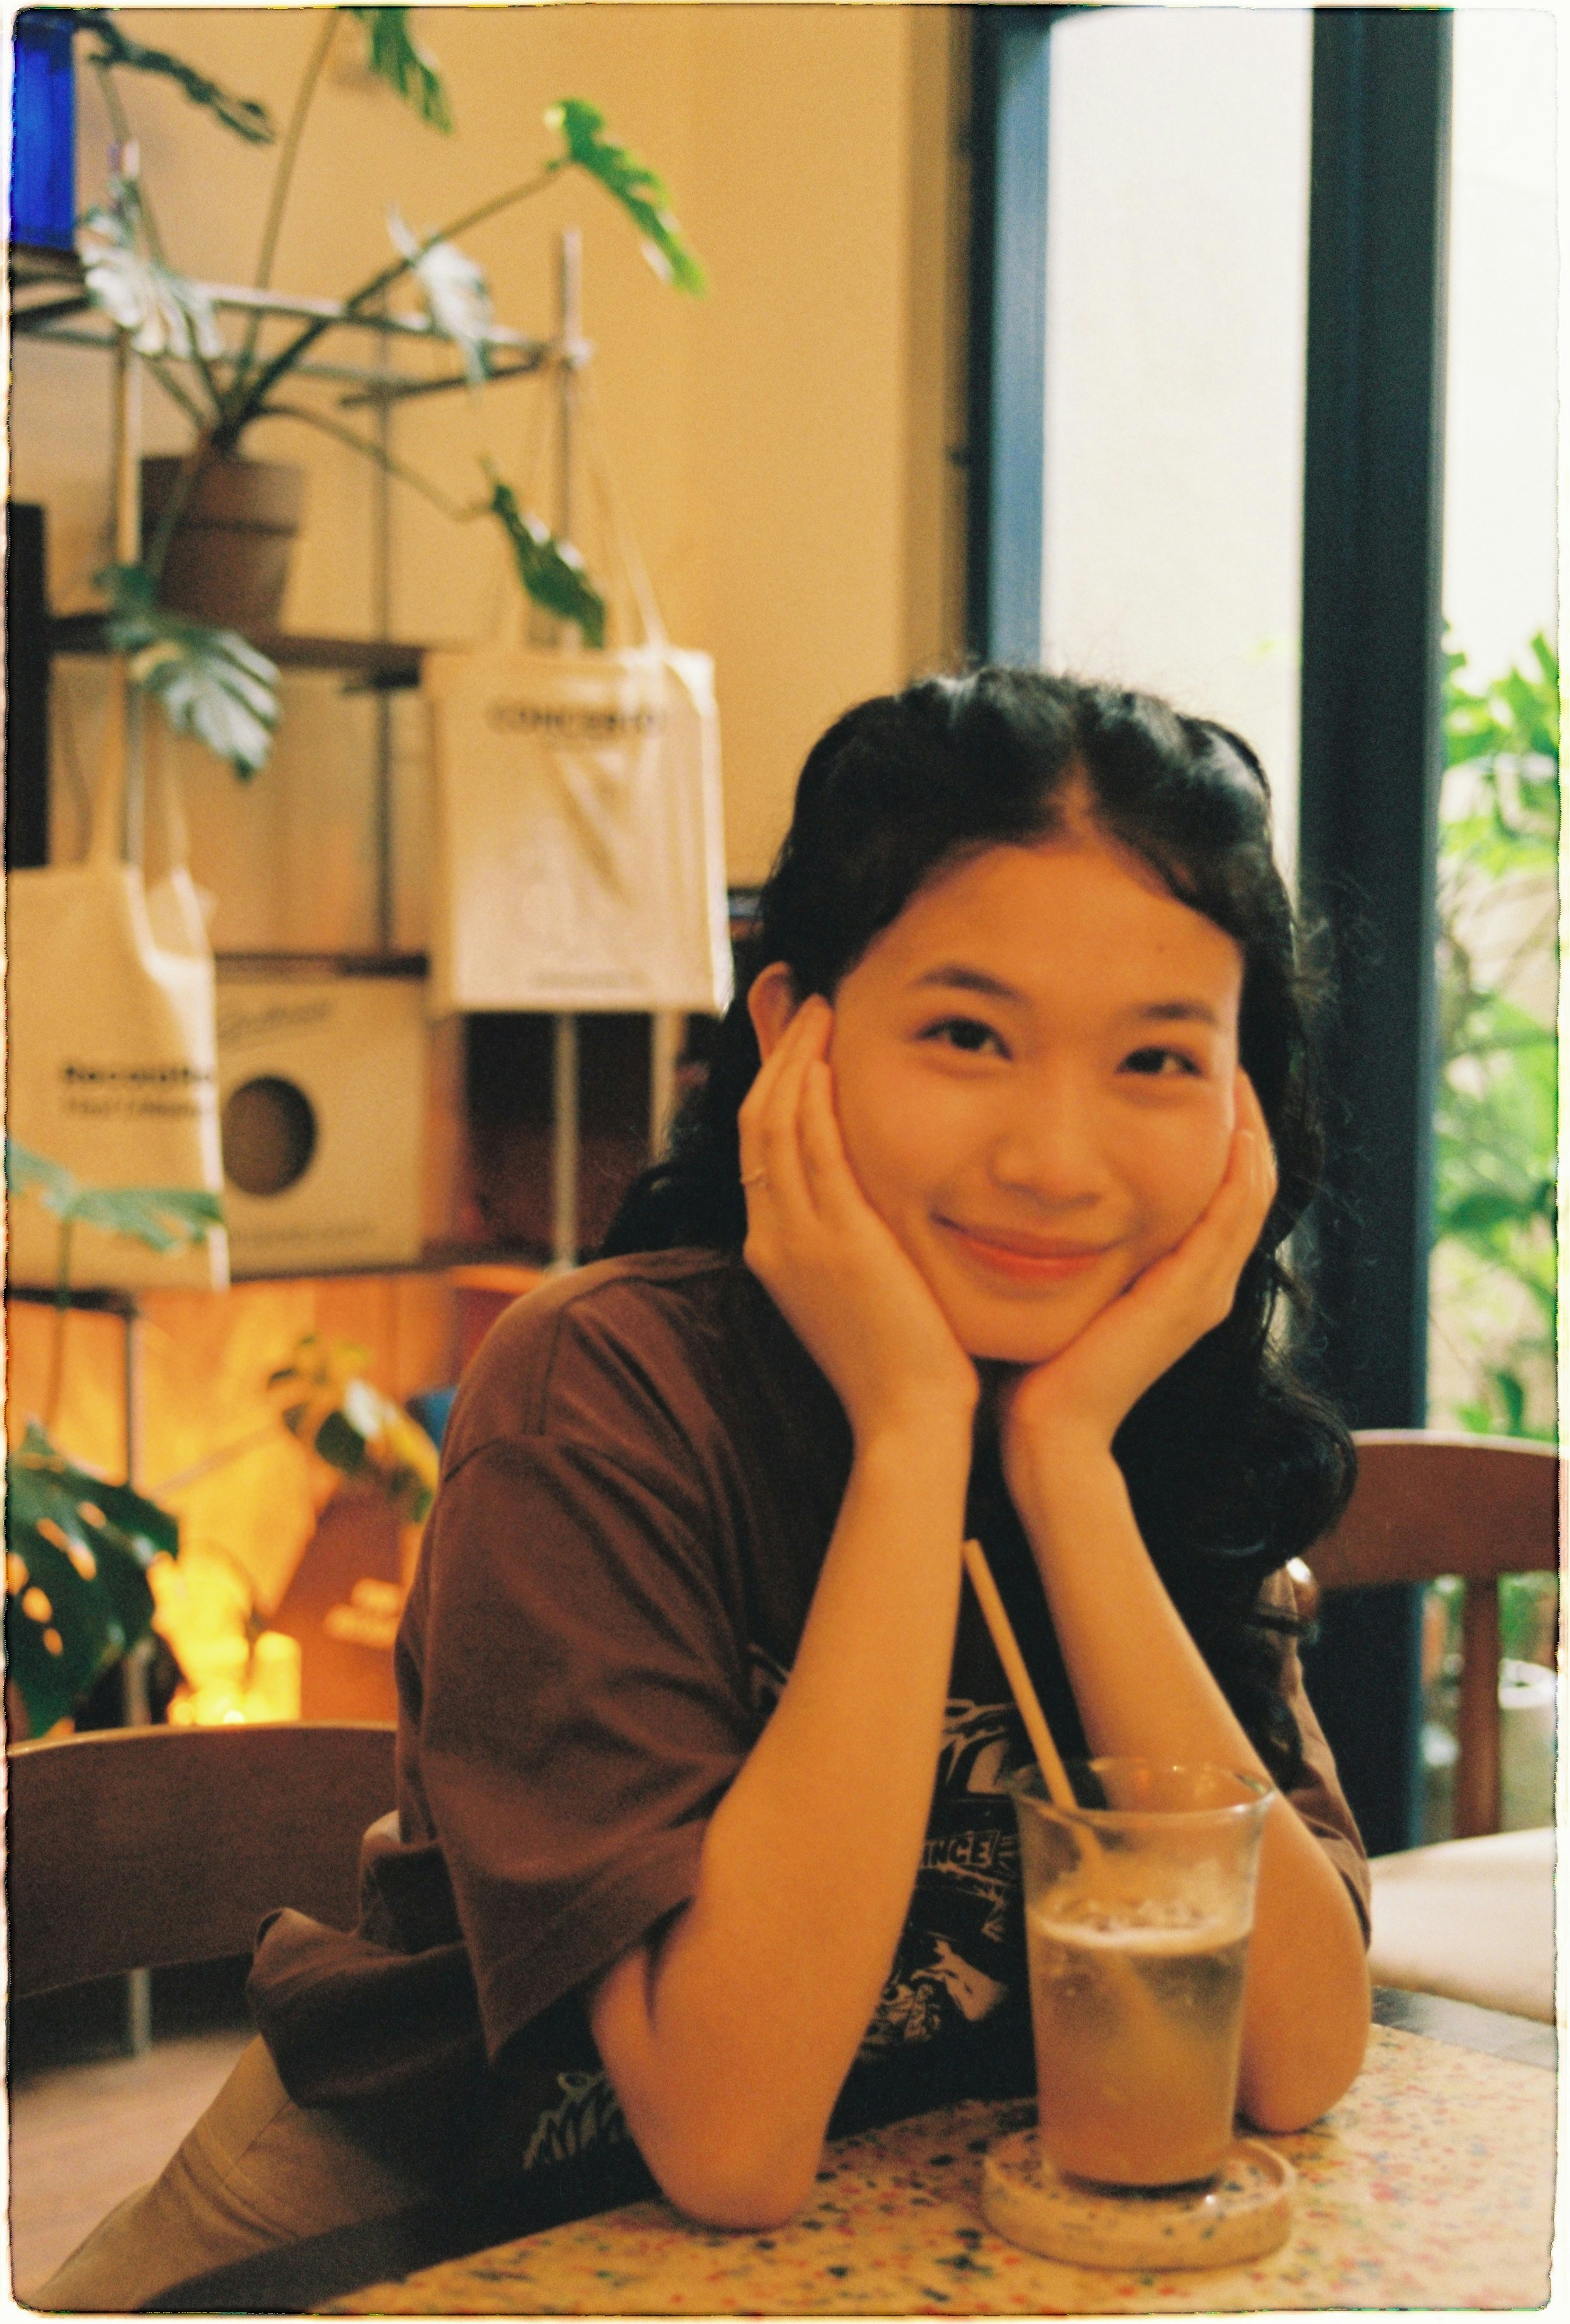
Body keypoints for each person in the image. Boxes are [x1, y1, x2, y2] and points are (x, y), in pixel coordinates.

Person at [35, 667, 1371, 2310]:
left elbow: (1295, 2052)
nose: (1053, 1157)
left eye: (1155, 1061)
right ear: (793, 1037)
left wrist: (1063, 1467)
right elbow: (729, 2137)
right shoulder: (600, 1390)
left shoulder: (1150, 1414)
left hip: (868, 2228)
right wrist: (906, 1436)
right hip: (399, 2232)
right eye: (966, 1034)